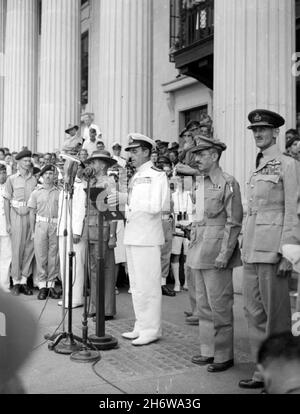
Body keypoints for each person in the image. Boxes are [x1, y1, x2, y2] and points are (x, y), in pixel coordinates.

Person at [239, 109, 299, 390]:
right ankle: (262, 371)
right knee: (253, 313)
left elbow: (293, 210)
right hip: (252, 248)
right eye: (254, 130)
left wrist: (289, 252)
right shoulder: (258, 165)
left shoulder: (287, 164)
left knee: (277, 317)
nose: (258, 134)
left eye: (263, 129)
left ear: (276, 132)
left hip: (274, 250)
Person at [188, 137, 243, 372]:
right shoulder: (201, 183)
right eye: (196, 154)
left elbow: (234, 221)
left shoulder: (228, 182)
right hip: (199, 249)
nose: (196, 158)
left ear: (214, 155)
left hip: (217, 252)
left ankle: (223, 355)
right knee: (203, 304)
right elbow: (197, 218)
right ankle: (207, 350)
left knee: (220, 305)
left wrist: (225, 253)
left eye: (201, 154)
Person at [108, 133, 169, 346]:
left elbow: (157, 205)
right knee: (136, 284)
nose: (132, 155)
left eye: (135, 151)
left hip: (147, 237)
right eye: (130, 152)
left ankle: (152, 329)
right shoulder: (136, 175)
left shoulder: (157, 175)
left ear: (146, 151)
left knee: (149, 285)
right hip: (134, 235)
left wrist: (128, 198)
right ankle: (141, 324)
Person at [84, 150, 118, 319]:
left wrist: (113, 235)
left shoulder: (109, 182)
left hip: (103, 229)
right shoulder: (92, 181)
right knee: (93, 270)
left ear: (103, 165)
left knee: (105, 270)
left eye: (94, 162)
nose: (91, 165)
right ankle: (95, 306)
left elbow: (113, 210)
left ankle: (106, 309)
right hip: (91, 229)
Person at [3, 150, 37, 296]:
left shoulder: (34, 179)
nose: (27, 163)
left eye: (29, 161)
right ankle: (16, 281)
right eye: (25, 161)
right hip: (16, 215)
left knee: (29, 249)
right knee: (16, 249)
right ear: (18, 163)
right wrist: (8, 223)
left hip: (30, 215)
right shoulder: (11, 179)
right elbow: (6, 200)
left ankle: (24, 281)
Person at [28, 165, 60, 300]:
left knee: (53, 256)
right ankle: (42, 286)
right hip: (40, 225)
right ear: (42, 176)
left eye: (51, 173)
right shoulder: (36, 192)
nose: (48, 176)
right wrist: (32, 231)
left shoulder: (59, 192)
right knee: (41, 256)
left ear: (54, 176)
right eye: (45, 173)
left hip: (54, 224)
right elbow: (31, 212)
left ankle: (51, 285)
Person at [57, 161, 87, 308]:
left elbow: (80, 210)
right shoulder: (65, 185)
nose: (66, 169)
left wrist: (77, 231)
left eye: (71, 167)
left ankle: (75, 298)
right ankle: (67, 296)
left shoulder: (80, 187)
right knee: (65, 265)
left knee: (76, 265)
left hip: (74, 232)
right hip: (63, 230)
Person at [0, 164, 12, 292]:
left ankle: (4, 285)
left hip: (6, 225)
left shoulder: (9, 187)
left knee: (6, 256)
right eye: (0, 173)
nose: (2, 175)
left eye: (4, 172)